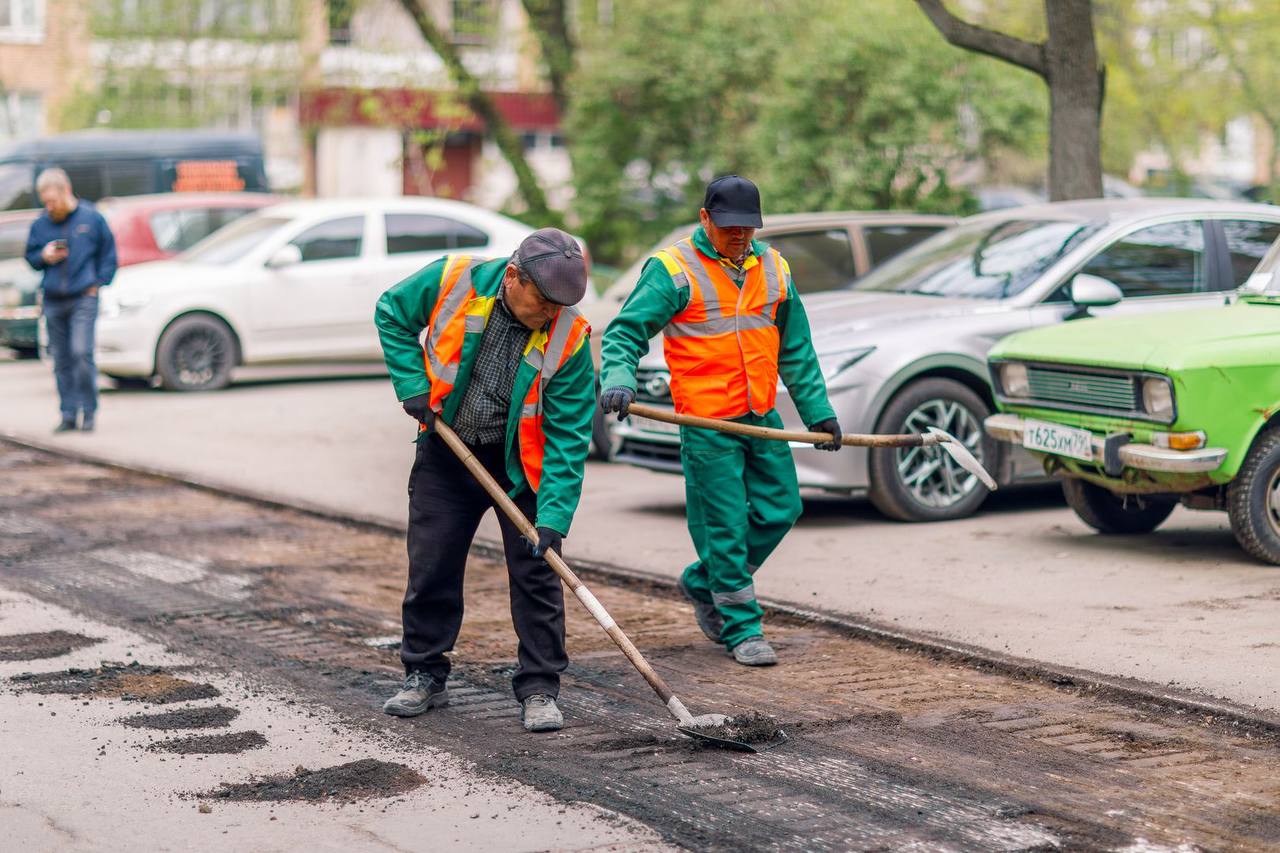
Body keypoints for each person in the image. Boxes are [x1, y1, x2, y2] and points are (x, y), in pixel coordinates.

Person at [599, 175, 841, 666]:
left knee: (782, 508)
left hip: (760, 415)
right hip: (707, 422)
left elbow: (795, 347)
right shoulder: (673, 269)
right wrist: (619, 378)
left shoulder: (773, 266)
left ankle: (703, 581)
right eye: (729, 226)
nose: (739, 236)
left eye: (748, 227)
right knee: (725, 526)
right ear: (704, 218)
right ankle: (742, 627)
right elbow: (625, 333)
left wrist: (819, 412)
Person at [375, 227, 595, 733]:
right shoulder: (456, 280)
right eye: (543, 302)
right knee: (431, 564)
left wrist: (556, 517)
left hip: (521, 468)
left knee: (539, 573)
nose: (551, 315)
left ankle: (540, 686)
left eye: (561, 306)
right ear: (514, 277)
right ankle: (424, 673)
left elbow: (568, 438)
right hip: (449, 451)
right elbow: (391, 311)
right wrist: (412, 387)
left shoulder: (570, 338)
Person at [24, 167, 117, 433]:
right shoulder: (41, 224)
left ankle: (88, 411)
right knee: (61, 360)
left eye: (53, 200)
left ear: (66, 190)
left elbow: (109, 254)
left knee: (81, 353)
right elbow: (30, 258)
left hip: (83, 297)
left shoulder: (92, 219)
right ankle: (68, 413)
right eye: (46, 202)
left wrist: (98, 284)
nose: (49, 207)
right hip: (53, 299)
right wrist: (44, 256)